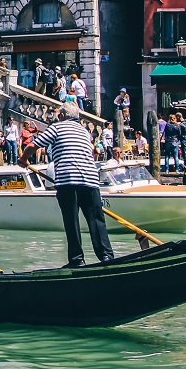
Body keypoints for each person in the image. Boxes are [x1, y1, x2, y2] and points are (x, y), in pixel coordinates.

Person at [22, 102, 114, 267]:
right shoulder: (85, 132)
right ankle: (106, 256)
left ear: (62, 116)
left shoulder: (56, 128)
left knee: (72, 221)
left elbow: (33, 145)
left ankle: (77, 259)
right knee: (96, 220)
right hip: (91, 180)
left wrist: (23, 159)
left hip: (68, 180)